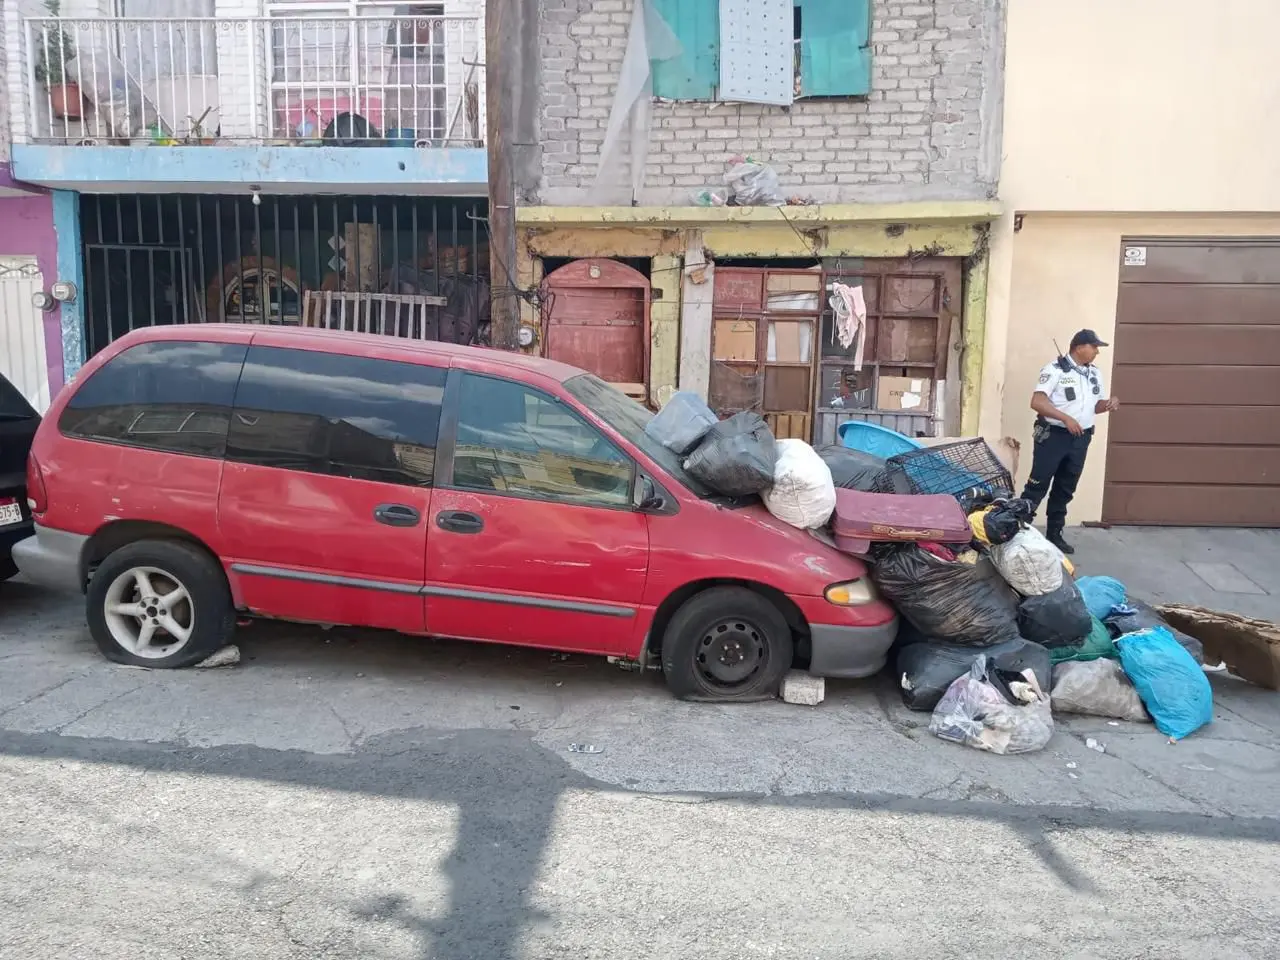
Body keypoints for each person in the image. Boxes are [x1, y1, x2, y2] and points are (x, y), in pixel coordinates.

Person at [1020, 329, 1120, 555]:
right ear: (1079, 347)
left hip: (1080, 438)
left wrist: (1109, 403)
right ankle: (1018, 532)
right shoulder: (1054, 370)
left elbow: (1095, 406)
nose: (1096, 352)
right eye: (1094, 347)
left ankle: (1055, 534)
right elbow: (1037, 402)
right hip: (1054, 436)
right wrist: (1065, 418)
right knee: (1037, 485)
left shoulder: (1094, 373)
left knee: (1065, 487)